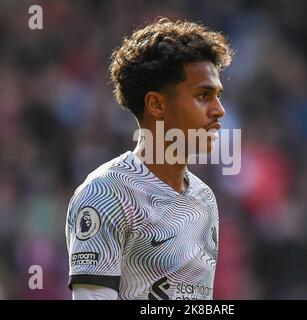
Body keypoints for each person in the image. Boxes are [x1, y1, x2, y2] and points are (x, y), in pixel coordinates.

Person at [65, 17, 233, 300]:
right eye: (203, 95)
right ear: (156, 104)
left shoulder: (204, 199)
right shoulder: (106, 194)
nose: (219, 110)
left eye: (218, 96)